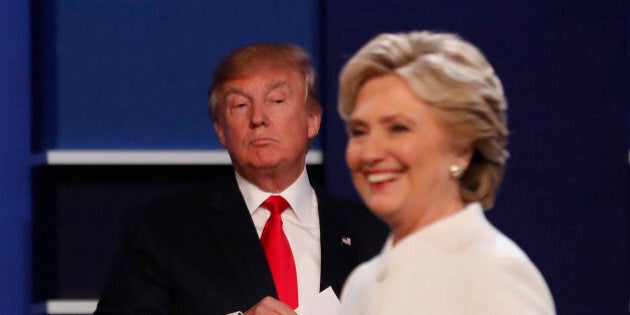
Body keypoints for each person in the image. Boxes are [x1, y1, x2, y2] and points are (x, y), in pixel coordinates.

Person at [94, 43, 387, 315]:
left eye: (276, 99)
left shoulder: (373, 235)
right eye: (240, 105)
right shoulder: (161, 231)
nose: (258, 117)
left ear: (313, 119)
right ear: (221, 129)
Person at [337, 31, 555, 314]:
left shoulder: (495, 276)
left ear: (462, 148)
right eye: (359, 132)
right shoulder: (361, 284)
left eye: (398, 128)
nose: (370, 153)